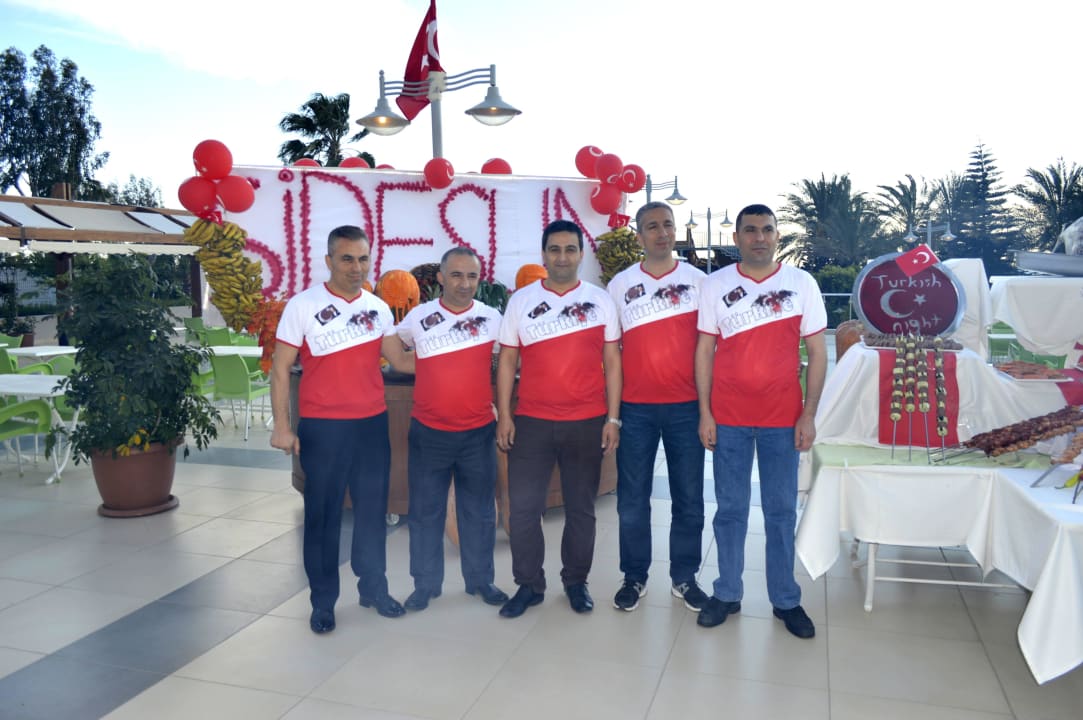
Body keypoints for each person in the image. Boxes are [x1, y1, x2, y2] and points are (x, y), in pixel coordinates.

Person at [270, 225, 415, 635]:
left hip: (371, 425)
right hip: (323, 428)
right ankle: (323, 602)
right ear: (329, 260)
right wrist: (282, 427)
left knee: (372, 513)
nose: (356, 267)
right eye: (347, 259)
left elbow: (402, 362)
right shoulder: (303, 306)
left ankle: (373, 589)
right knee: (323, 516)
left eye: (363, 259)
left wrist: (458, 358)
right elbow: (280, 368)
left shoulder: (378, 308)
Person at [694, 204, 827, 638]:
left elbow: (817, 354)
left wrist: (809, 414)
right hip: (728, 419)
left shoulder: (801, 284)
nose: (759, 237)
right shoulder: (715, 285)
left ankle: (785, 599)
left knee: (781, 512)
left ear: (776, 236)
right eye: (750, 230)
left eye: (767, 230)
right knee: (730, 511)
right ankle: (727, 593)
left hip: (782, 419)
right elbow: (704, 351)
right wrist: (705, 412)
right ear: (736, 238)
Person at [495, 219, 622, 618]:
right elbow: (508, 360)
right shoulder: (522, 300)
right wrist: (505, 415)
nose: (562, 257)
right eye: (555, 249)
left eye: (570, 250)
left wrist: (613, 418)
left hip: (587, 420)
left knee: (581, 509)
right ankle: (529, 585)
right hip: (531, 421)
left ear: (581, 255)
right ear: (544, 254)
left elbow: (612, 362)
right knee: (523, 509)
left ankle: (576, 582)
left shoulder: (600, 300)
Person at [606, 202, 709, 613]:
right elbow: (611, 354)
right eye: (652, 226)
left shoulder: (700, 282)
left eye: (668, 225)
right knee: (632, 500)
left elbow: (711, 348)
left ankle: (684, 577)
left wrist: (709, 408)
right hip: (636, 410)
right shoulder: (620, 286)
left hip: (687, 408)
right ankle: (634, 576)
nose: (662, 233)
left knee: (689, 499)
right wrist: (613, 415)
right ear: (639, 236)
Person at [395, 247, 509, 611]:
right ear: (442, 278)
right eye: (456, 275)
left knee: (480, 512)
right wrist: (425, 365)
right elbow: (395, 349)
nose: (464, 283)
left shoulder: (492, 318)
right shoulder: (419, 317)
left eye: (471, 276)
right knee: (425, 513)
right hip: (429, 432)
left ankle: (481, 581)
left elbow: (507, 361)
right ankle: (425, 586)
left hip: (478, 432)